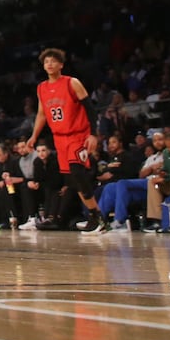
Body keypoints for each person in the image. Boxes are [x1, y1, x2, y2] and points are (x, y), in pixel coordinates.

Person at [26, 47, 106, 233]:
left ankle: (98, 218)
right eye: (46, 62)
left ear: (61, 64)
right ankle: (95, 217)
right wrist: (34, 136)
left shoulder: (72, 83)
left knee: (78, 173)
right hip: (59, 138)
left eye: (53, 61)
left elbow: (90, 109)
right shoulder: (42, 88)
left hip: (78, 135)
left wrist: (93, 133)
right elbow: (41, 115)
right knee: (73, 181)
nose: (50, 64)